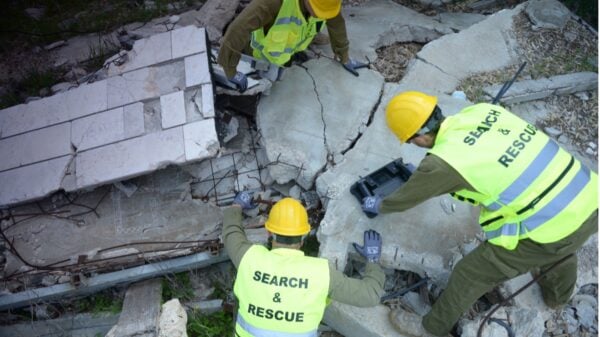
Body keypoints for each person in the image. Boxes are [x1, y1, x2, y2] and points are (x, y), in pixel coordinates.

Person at [361, 91, 598, 337]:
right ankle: (557, 297)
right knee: (562, 245)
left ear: (419, 138)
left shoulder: (442, 164)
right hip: (588, 196)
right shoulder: (482, 112)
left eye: (410, 140)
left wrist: (378, 204)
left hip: (555, 226)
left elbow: (404, 199)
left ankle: (430, 327)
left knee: (470, 273)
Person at [223, 192, 385, 336]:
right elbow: (370, 295)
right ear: (304, 235)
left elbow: (231, 233)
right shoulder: (320, 273)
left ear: (269, 232)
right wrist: (373, 260)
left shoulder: (249, 259)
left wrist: (237, 205)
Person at [217, 0, 368, 92]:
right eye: (317, 11)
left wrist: (344, 56)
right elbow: (237, 29)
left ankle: (307, 40)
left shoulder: (326, 2)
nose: (320, 16)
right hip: (260, 55)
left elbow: (336, 23)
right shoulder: (272, 3)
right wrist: (230, 70)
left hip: (290, 48)